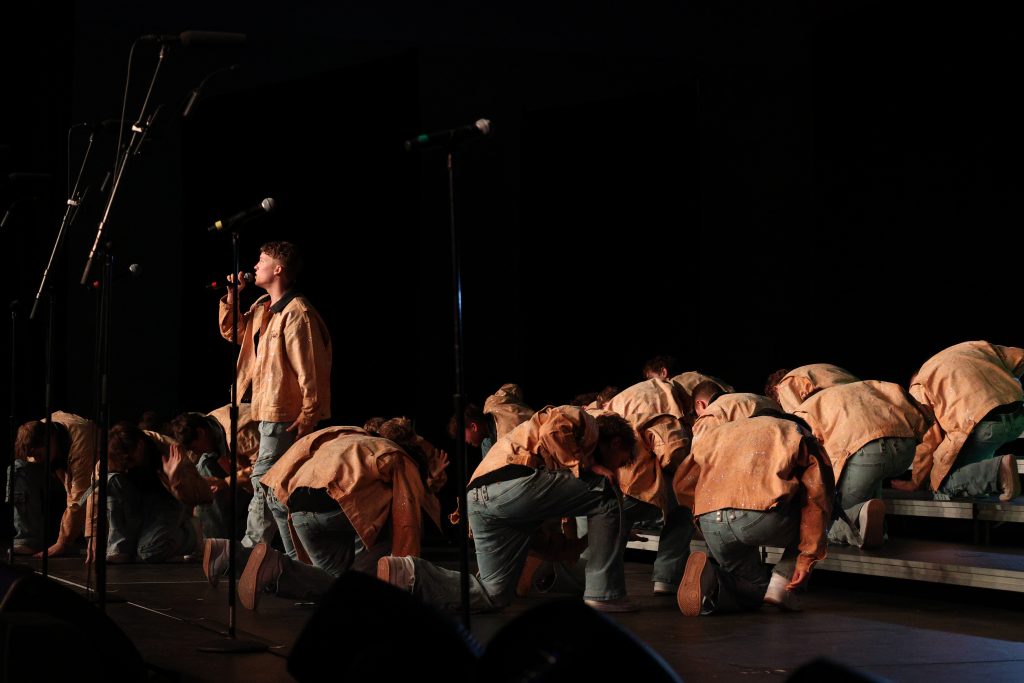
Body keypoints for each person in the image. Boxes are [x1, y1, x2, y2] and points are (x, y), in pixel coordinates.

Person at [377, 406, 639, 613]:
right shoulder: (585, 422)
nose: (617, 468)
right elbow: (552, 431)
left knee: (494, 594)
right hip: (510, 486)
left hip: (481, 503)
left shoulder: (555, 476)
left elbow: (539, 532)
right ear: (616, 443)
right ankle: (605, 594)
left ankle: (410, 573)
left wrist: (578, 544)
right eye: (622, 462)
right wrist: (589, 466)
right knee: (607, 491)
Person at [203, 419, 443, 609]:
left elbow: (295, 457)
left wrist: (278, 502)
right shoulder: (399, 456)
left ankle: (232, 555)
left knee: (328, 583)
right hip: (335, 505)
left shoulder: (344, 433)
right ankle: (375, 587)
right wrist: (405, 573)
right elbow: (407, 520)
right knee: (387, 535)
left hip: (293, 502)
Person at [219, 241, 332, 555]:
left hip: (287, 413)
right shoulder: (263, 308)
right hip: (266, 410)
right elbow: (233, 333)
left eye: (262, 259)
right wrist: (233, 295)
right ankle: (294, 555)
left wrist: (309, 414)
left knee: (264, 479)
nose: (255, 265)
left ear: (279, 269)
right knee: (274, 487)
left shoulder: (298, 313)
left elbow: (310, 369)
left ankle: (252, 548)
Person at [675, 407, 833, 616]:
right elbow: (819, 497)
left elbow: (682, 485)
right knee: (818, 515)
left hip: (711, 522)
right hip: (761, 519)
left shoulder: (718, 433)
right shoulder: (795, 432)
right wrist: (806, 557)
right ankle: (782, 586)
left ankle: (713, 579)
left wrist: (705, 514)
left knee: (754, 589)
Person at [769, 365, 931, 548]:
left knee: (829, 523)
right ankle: (879, 532)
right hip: (904, 442)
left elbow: (801, 438)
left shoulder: (785, 388)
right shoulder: (833, 375)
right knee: (870, 497)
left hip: (865, 447)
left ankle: (860, 521)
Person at [895, 341, 1024, 500]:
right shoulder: (971, 348)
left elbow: (929, 440)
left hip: (983, 426)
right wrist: (1006, 387)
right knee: (973, 465)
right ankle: (990, 478)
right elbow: (1020, 356)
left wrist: (916, 482)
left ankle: (997, 472)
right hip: (1017, 416)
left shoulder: (920, 384)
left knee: (943, 485)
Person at [605, 378, 693, 595]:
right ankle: (667, 578)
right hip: (639, 491)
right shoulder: (661, 417)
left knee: (611, 529)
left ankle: (593, 580)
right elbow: (672, 454)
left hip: (611, 487)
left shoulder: (616, 413)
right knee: (683, 511)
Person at [86, 422, 213, 563]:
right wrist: (93, 537)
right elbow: (95, 494)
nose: (127, 468)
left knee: (148, 552)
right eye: (123, 465)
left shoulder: (170, 450)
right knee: (110, 481)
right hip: (136, 502)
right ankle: (121, 548)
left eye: (129, 461)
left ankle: (192, 535)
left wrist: (175, 481)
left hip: (166, 502)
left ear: (140, 445)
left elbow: (201, 497)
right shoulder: (112, 457)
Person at [11, 412, 97, 557]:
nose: (35, 460)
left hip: (93, 482)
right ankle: (27, 540)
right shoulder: (38, 431)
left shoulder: (81, 443)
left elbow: (79, 498)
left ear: (50, 440)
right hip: (60, 471)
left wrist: (62, 543)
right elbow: (31, 460)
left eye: (38, 455)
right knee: (18, 468)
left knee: (80, 501)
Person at [169, 405, 260, 539]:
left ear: (200, 433)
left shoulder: (241, 433)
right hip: (246, 483)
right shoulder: (208, 427)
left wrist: (225, 482)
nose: (195, 452)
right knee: (203, 465)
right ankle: (212, 542)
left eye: (194, 448)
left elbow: (265, 470)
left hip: (269, 485)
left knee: (205, 464)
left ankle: (217, 543)